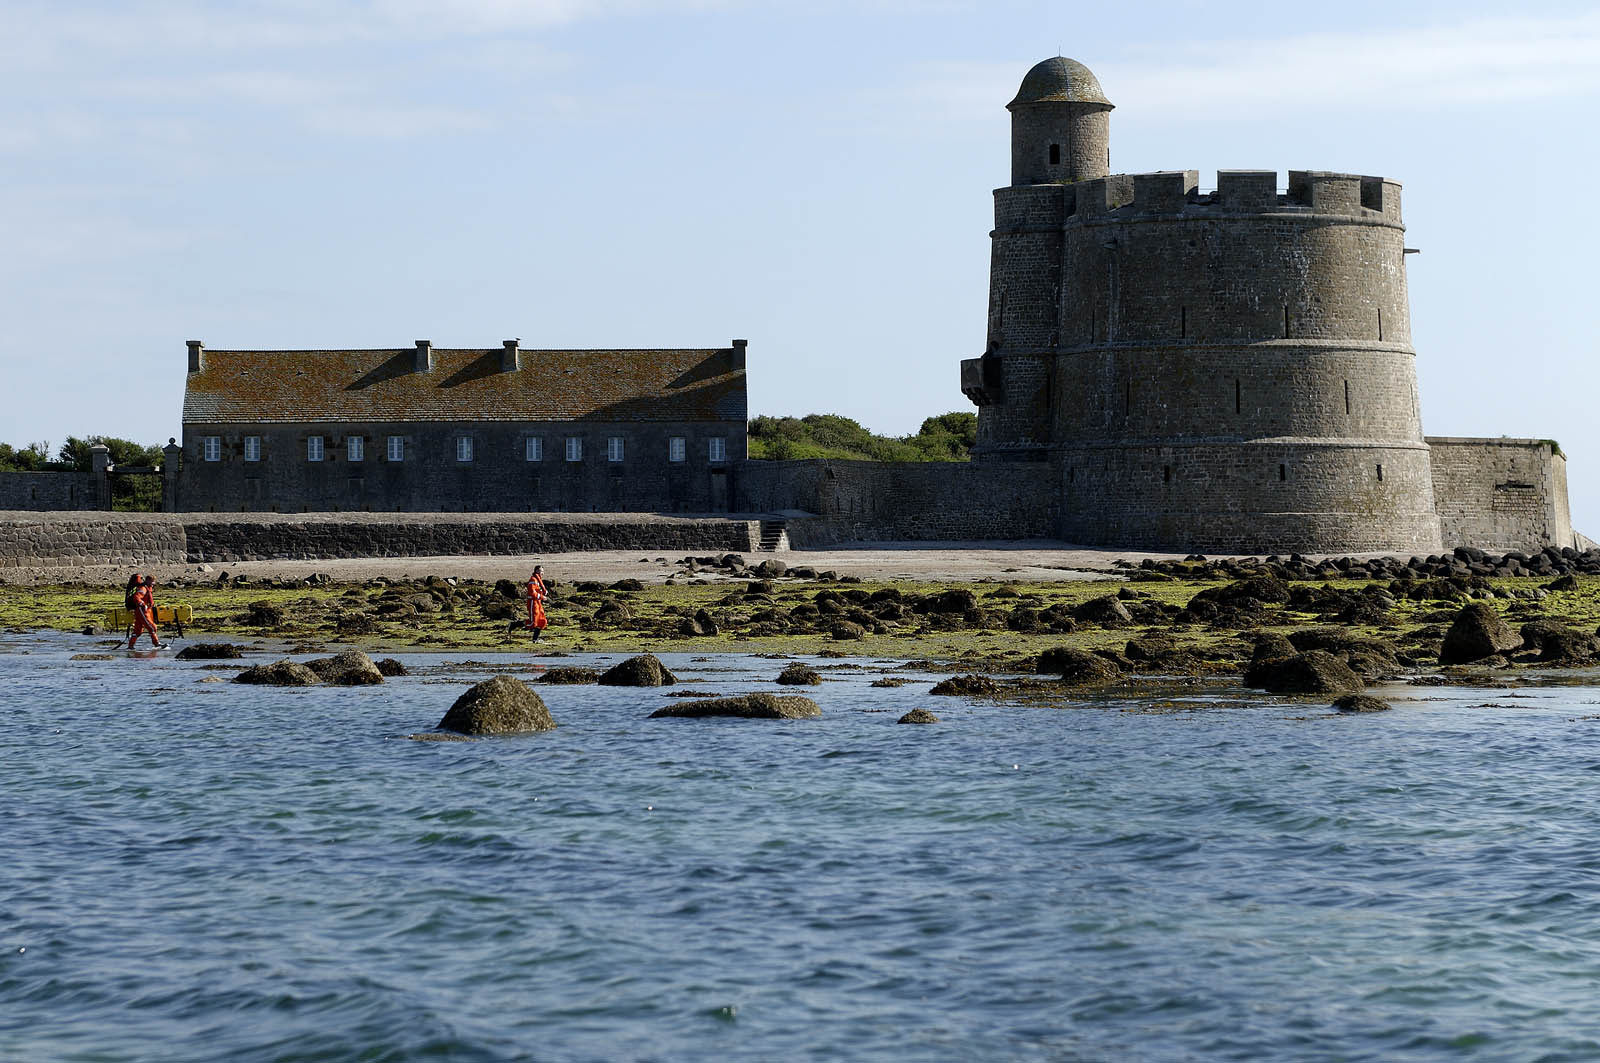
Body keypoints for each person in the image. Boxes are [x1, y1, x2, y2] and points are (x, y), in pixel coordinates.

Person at [128, 573, 162, 649]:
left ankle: (130, 646)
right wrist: (142, 604)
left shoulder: (147, 588)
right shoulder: (143, 588)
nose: (153, 583)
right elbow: (136, 597)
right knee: (152, 627)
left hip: (143, 611)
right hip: (142, 610)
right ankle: (157, 644)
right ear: (148, 581)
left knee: (138, 630)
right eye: (152, 581)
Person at [525, 565, 549, 642]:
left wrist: (543, 594)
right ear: (536, 571)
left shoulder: (538, 580)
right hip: (533, 602)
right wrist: (542, 597)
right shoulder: (533, 580)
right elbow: (532, 593)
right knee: (534, 621)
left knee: (541, 620)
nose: (542, 573)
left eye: (543, 571)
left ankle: (535, 639)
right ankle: (514, 625)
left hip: (538, 603)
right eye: (541, 571)